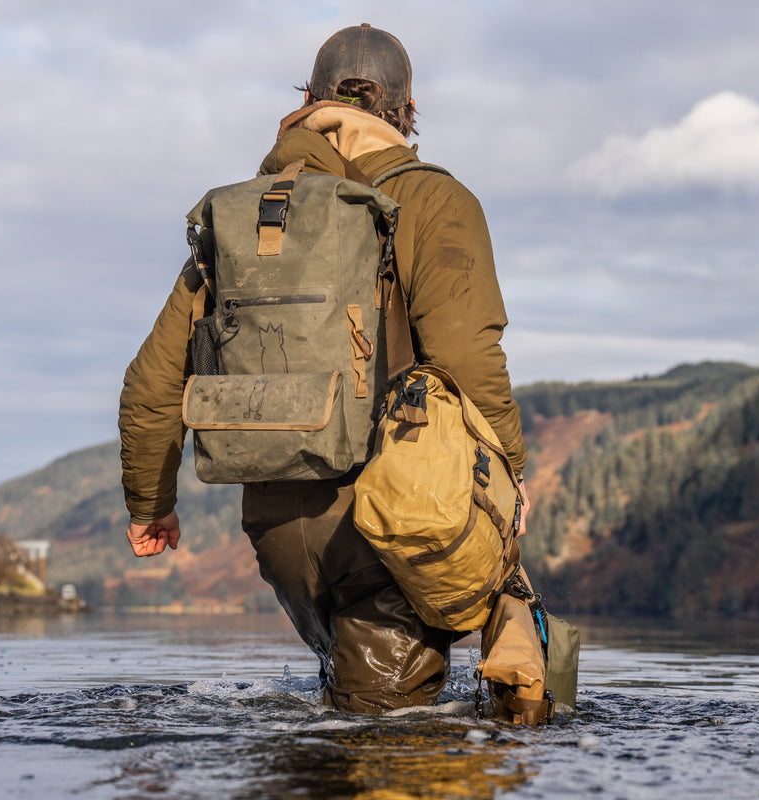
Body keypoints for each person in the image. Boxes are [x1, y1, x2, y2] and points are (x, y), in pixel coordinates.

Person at [119, 23, 530, 713]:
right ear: (406, 113)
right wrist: (511, 478)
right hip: (396, 518)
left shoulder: (249, 215)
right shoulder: (436, 201)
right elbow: (467, 359)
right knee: (390, 745)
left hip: (276, 527)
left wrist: (150, 504)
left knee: (331, 735)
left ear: (308, 101)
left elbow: (153, 379)